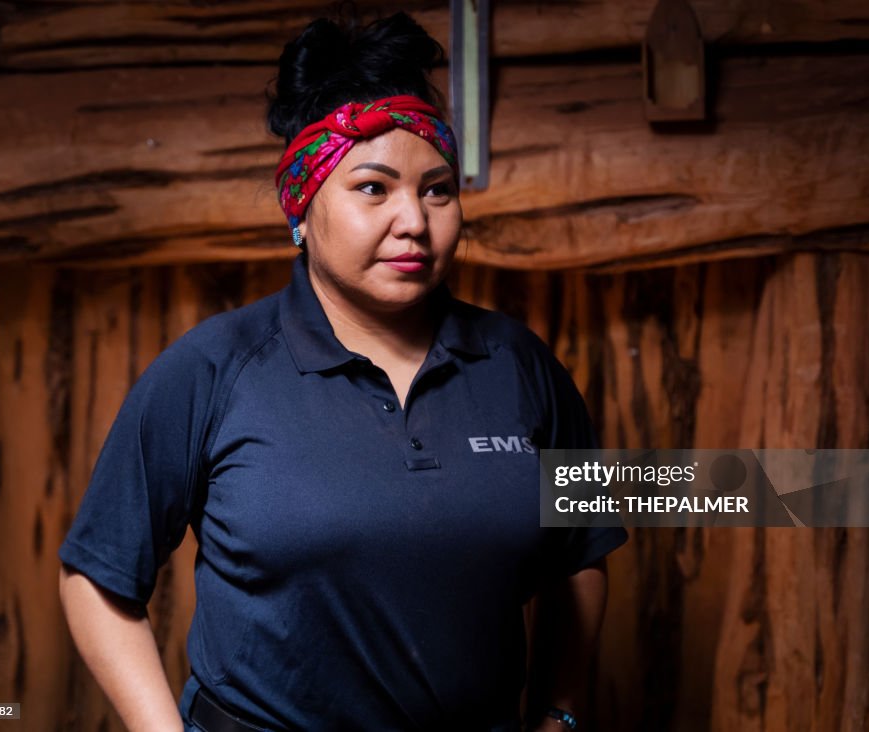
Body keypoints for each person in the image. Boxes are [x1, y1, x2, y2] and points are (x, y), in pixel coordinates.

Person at [58, 12, 627, 732]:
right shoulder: (212, 370)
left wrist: (558, 714)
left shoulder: (518, 364)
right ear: (301, 206)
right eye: (372, 188)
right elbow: (98, 575)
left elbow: (581, 550)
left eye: (437, 189)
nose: (414, 221)